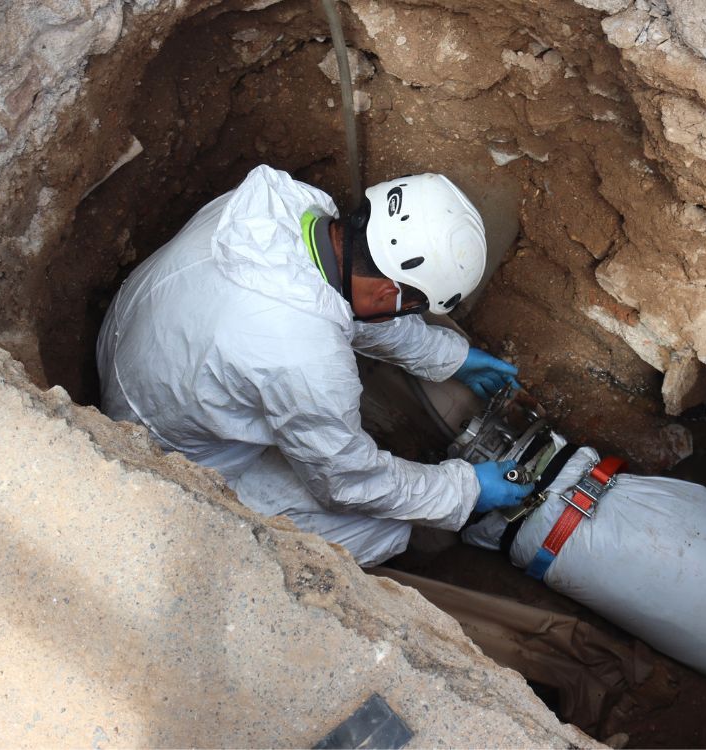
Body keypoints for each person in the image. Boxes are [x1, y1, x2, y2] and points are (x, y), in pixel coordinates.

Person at [97, 164, 532, 566]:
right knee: (384, 525)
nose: (407, 317)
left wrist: (449, 357)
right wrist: (465, 489)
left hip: (137, 350)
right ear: (388, 294)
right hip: (157, 453)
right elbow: (348, 482)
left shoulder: (286, 204)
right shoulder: (305, 356)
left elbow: (335, 301)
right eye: (411, 308)